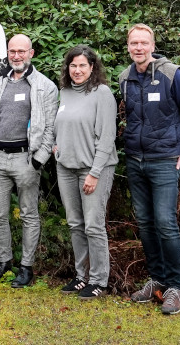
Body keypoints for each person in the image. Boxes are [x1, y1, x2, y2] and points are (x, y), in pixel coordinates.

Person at [122, 24, 180, 316]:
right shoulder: (125, 78)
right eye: (134, 43)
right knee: (144, 222)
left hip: (165, 161)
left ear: (152, 46)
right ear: (128, 47)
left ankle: (175, 288)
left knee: (165, 223)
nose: (138, 48)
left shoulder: (172, 74)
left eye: (143, 43)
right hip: (135, 161)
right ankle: (156, 280)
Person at [0, 34, 58, 288]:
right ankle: (4, 262)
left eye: (21, 51)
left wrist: (39, 160)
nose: (16, 56)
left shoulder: (45, 86)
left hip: (26, 160)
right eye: (12, 51)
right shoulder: (0, 82)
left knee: (29, 215)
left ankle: (26, 267)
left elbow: (49, 128)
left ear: (31, 53)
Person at [54, 45, 118, 300]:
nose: (77, 70)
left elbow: (107, 137)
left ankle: (99, 280)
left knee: (93, 225)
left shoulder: (102, 93)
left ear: (92, 68)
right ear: (67, 68)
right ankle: (81, 277)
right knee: (75, 224)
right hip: (65, 168)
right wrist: (53, 146)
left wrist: (94, 173)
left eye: (82, 65)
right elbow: (58, 126)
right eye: (73, 65)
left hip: (94, 169)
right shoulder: (65, 92)